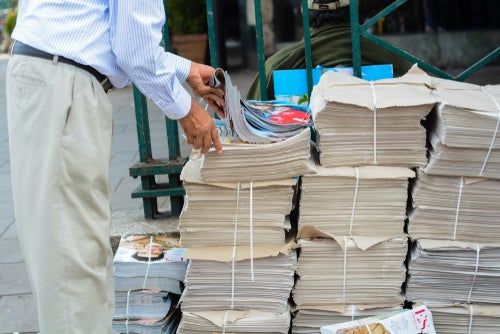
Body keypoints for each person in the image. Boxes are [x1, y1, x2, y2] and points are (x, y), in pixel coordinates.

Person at [6, 1, 224, 333]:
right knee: (73, 270)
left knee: (62, 257)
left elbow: (99, 29)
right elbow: (133, 48)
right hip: (62, 84)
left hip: (46, 74)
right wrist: (186, 110)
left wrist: (183, 68)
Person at [247, 0, 413, 100]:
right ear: (356, 5)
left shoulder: (274, 68)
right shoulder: (398, 61)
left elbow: (249, 130)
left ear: (303, 10)